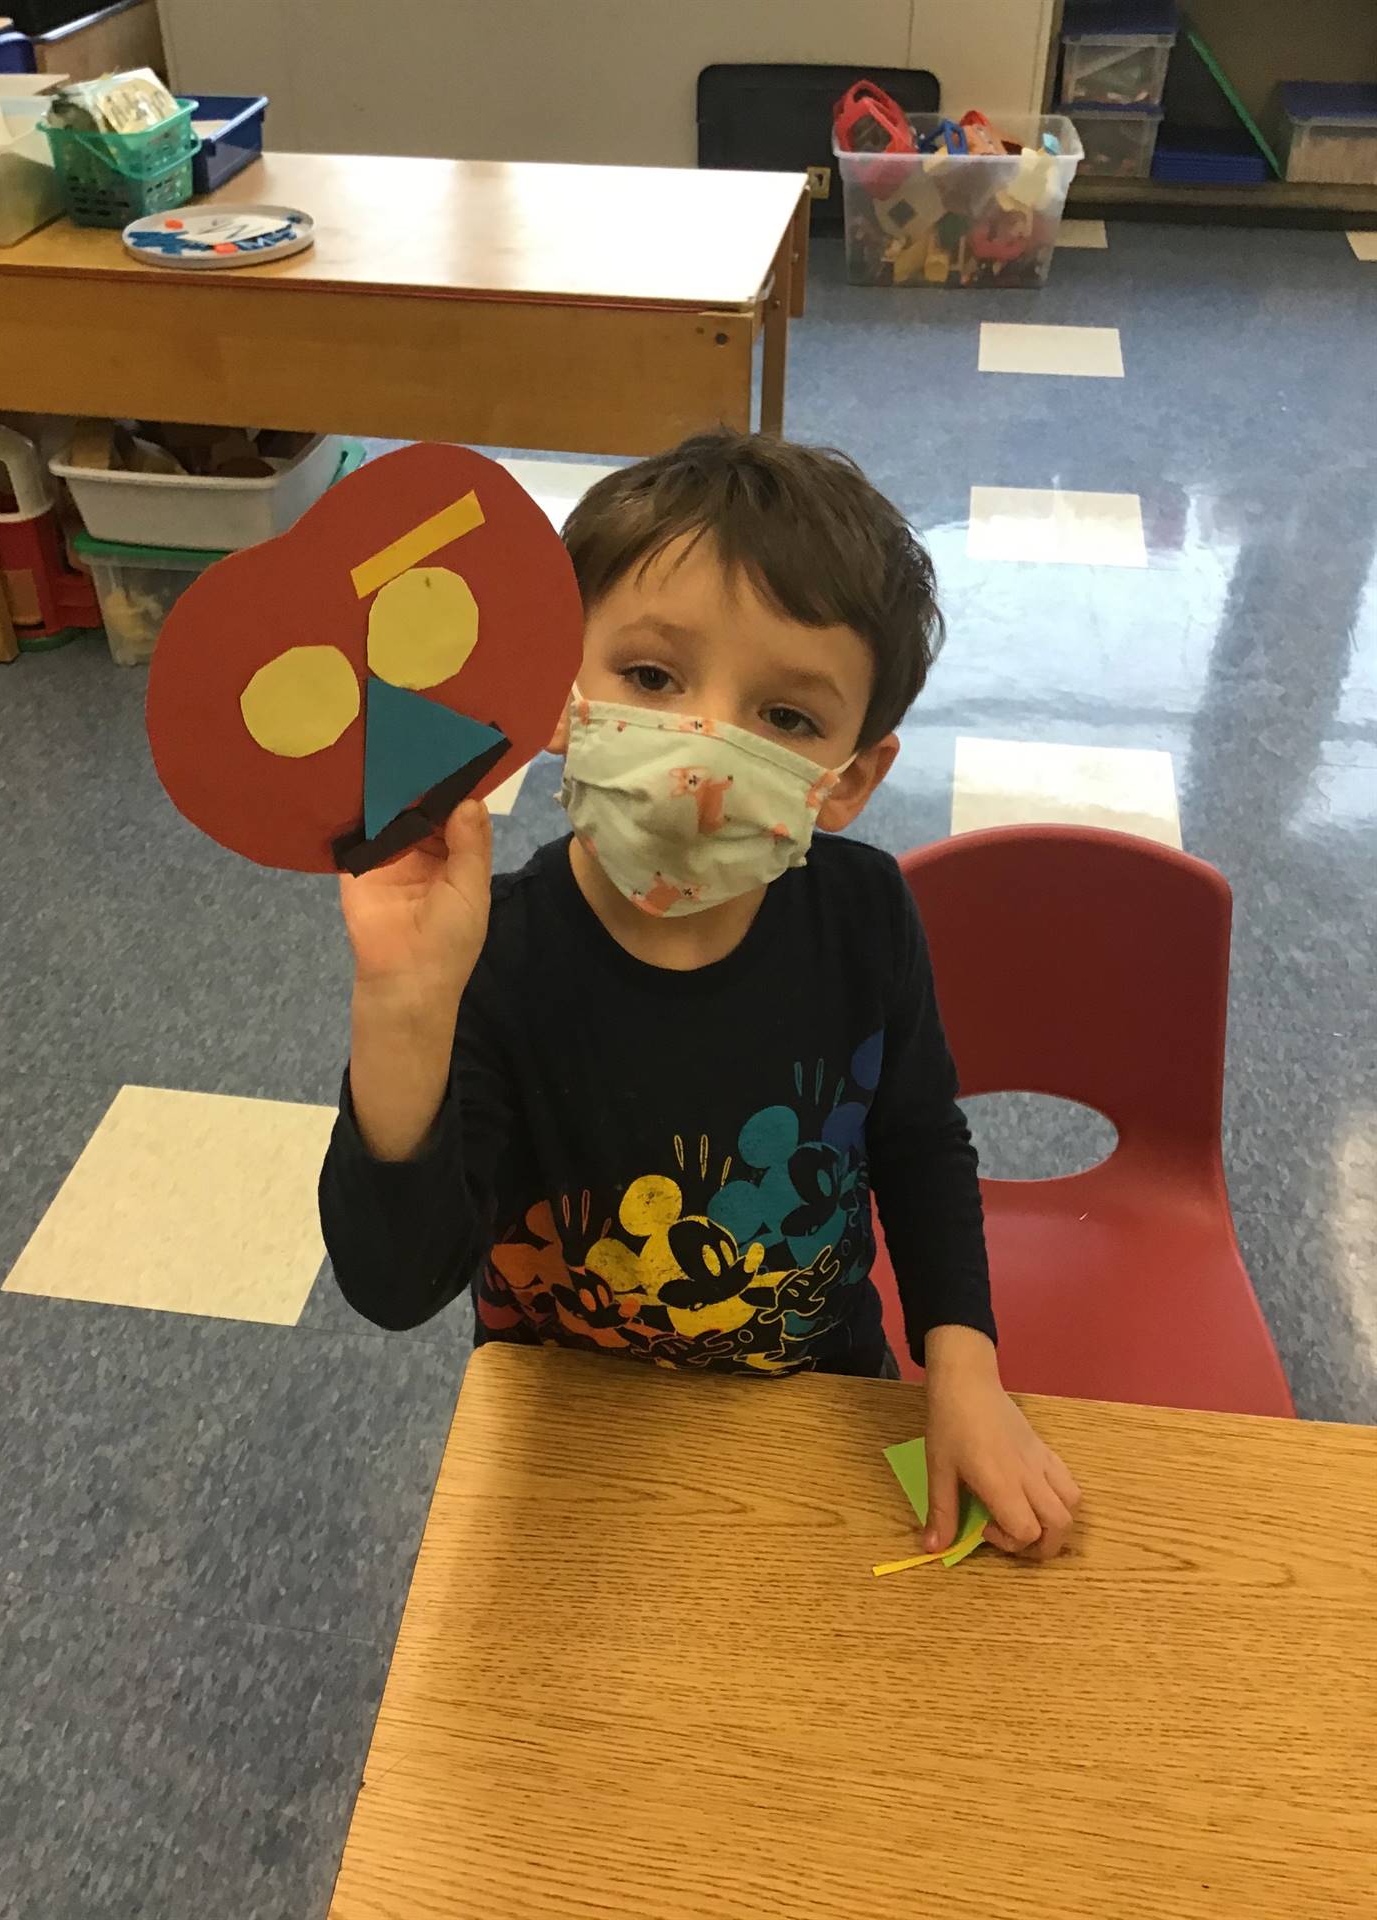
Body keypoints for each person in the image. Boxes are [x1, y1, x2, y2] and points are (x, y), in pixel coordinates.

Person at [319, 430, 1081, 1561]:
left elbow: (921, 1141)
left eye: (783, 718)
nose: (699, 761)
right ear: (552, 686)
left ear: (850, 779)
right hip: (576, 1434)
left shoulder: (864, 915)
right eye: (651, 677)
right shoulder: (495, 956)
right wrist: (407, 1009)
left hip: (818, 1404)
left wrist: (963, 1366)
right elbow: (394, 1283)